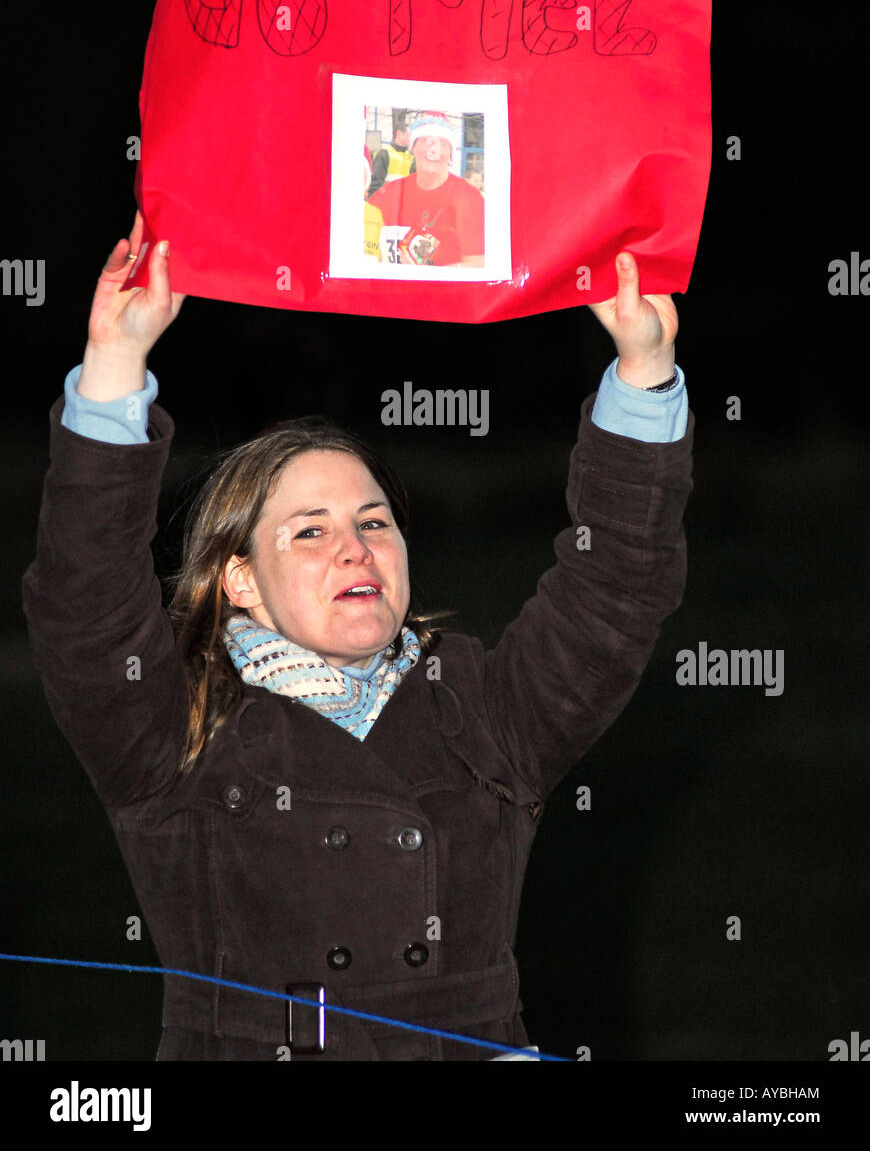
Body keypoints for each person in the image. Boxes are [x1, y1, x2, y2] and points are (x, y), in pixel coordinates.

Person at [22, 210, 692, 1061]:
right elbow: (83, 607)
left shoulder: (484, 708)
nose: (354, 546)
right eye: (309, 531)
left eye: (374, 521)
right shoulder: (172, 724)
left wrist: (643, 367)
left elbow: (615, 592)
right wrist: (115, 365)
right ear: (239, 582)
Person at [368, 112, 485, 267]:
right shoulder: (389, 194)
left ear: (451, 153)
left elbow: (479, 262)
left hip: (445, 290)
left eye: (442, 143)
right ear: (413, 148)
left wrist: (430, 276)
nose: (434, 150)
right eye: (426, 142)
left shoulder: (470, 198)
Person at [367, 110, 414, 197]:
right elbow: (375, 184)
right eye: (409, 135)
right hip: (385, 202)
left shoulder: (410, 158)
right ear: (399, 134)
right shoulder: (384, 154)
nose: (410, 138)